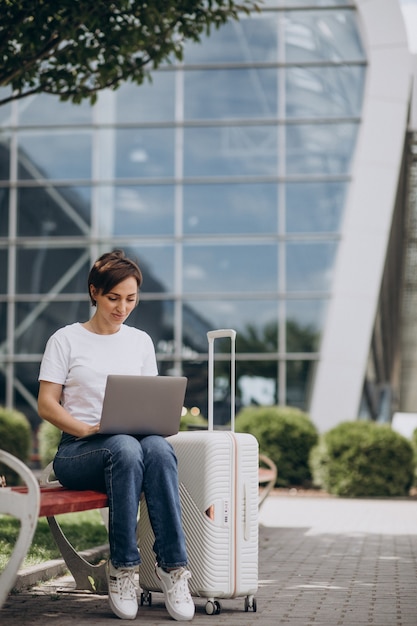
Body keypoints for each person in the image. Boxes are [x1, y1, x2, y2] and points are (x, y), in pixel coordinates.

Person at [37, 249, 195, 622]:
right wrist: (88, 428)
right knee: (124, 446)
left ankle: (174, 570)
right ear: (94, 292)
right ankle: (123, 569)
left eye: (131, 299)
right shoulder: (66, 339)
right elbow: (47, 404)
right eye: (113, 298)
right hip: (79, 450)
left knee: (156, 447)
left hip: (132, 449)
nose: (122, 307)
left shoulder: (140, 342)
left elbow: (149, 401)